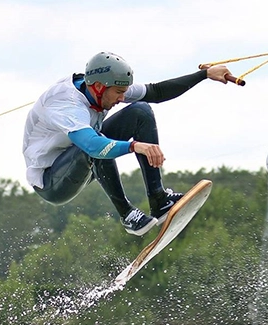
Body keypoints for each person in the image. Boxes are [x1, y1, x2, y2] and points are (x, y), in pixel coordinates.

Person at [23, 51, 231, 236]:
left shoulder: (103, 86)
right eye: (119, 93)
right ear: (97, 87)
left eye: (124, 92)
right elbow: (93, 146)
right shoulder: (67, 105)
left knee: (140, 111)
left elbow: (156, 92)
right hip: (52, 182)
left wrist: (204, 75)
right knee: (96, 144)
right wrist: (133, 146)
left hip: (82, 160)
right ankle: (127, 214)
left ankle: (159, 200)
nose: (122, 98)